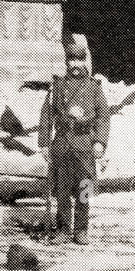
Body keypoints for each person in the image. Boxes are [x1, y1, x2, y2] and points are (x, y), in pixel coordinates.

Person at [38, 37, 110, 244]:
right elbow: (46, 115)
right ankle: (62, 229)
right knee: (61, 190)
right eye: (72, 60)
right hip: (62, 144)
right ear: (67, 62)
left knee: (84, 189)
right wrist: (44, 142)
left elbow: (104, 116)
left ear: (84, 62)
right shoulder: (57, 86)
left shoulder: (94, 87)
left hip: (84, 144)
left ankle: (81, 229)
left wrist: (100, 142)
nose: (75, 65)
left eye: (79, 60)